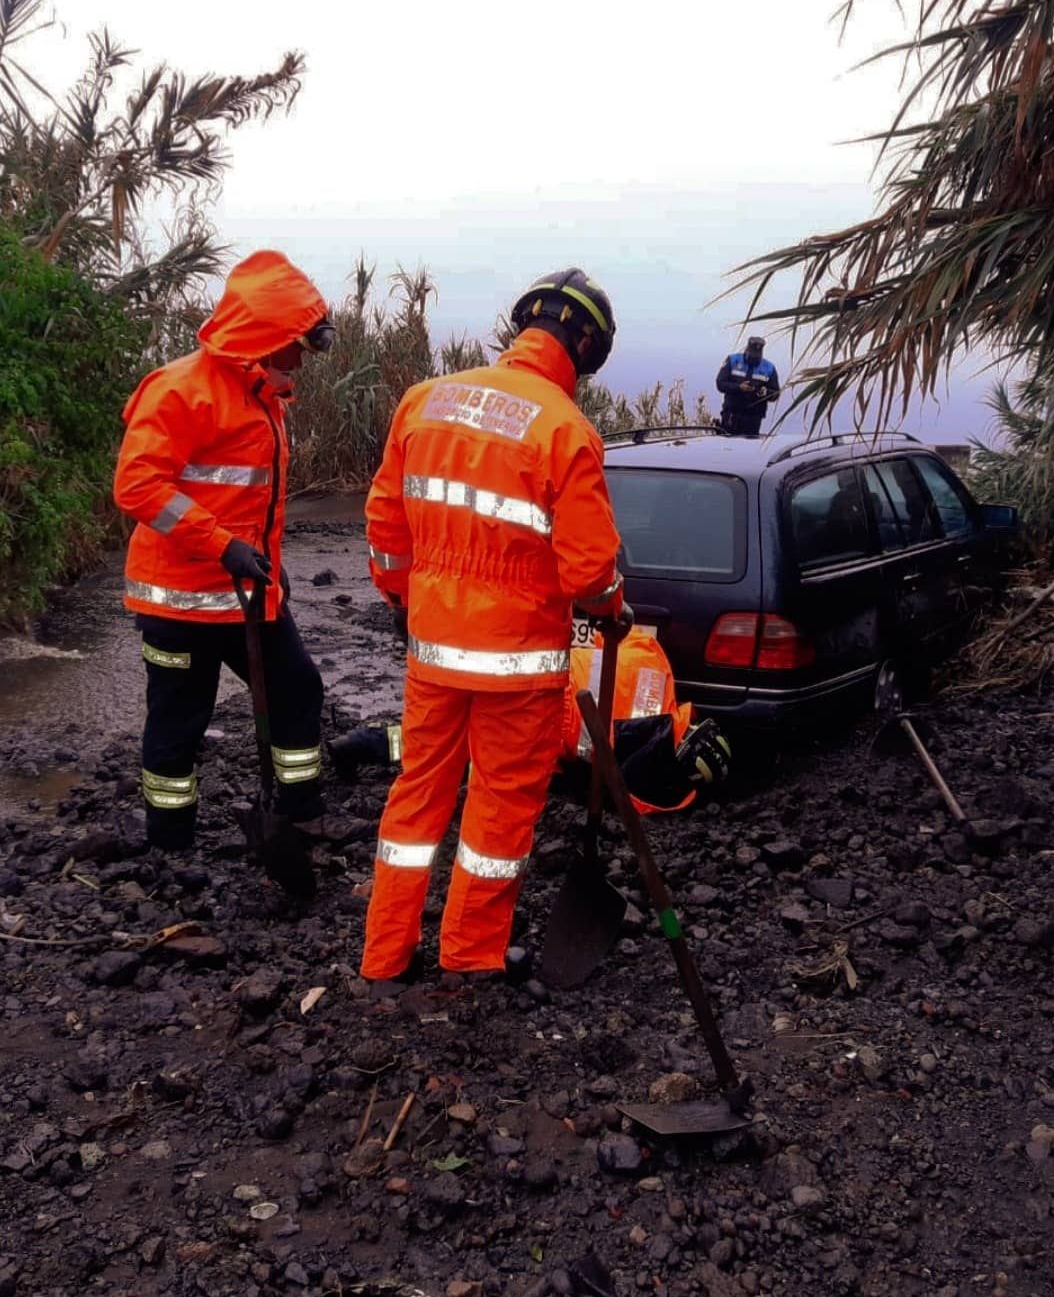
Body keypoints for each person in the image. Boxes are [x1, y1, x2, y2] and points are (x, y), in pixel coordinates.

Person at [361, 267, 632, 982]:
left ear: (523, 328)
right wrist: (610, 605)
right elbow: (588, 570)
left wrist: (402, 599)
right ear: (584, 347)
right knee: (499, 811)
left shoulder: (426, 401)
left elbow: (387, 524)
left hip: (433, 654)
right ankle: (471, 956)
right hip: (517, 665)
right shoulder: (566, 431)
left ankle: (385, 955)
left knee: (417, 794)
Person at [113, 249, 344, 890]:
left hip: (248, 594)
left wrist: (275, 570)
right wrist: (219, 545)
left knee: (297, 689)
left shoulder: (264, 395)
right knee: (179, 721)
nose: (304, 358)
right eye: (298, 343)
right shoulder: (180, 390)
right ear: (266, 338)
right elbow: (137, 486)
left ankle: (298, 812)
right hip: (179, 601)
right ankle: (171, 844)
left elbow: (252, 500)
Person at [330, 625, 733, 814]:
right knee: (458, 752)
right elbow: (631, 802)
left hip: (532, 666)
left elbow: (610, 632)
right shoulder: (630, 760)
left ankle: (368, 743)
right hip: (534, 727)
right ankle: (368, 745)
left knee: (446, 730)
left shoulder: (654, 662)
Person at [716, 335, 780, 436]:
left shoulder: (769, 368)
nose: (753, 358)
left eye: (756, 356)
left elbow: (775, 393)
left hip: (754, 417)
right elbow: (720, 384)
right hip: (732, 413)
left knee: (748, 448)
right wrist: (738, 387)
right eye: (751, 355)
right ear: (747, 349)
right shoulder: (733, 361)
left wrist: (764, 392)